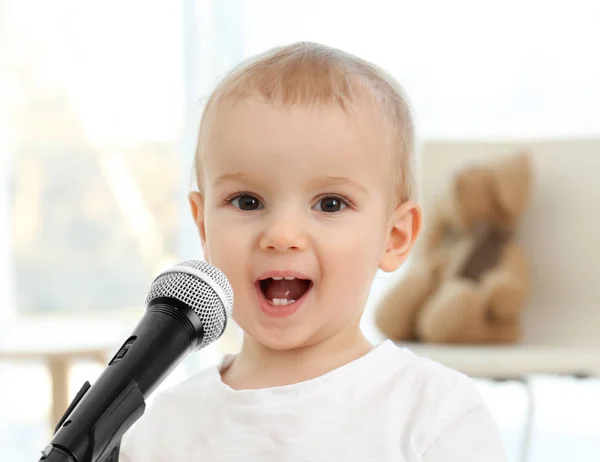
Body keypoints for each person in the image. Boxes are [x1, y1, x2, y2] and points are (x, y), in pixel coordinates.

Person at [119, 41, 507, 461]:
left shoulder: (435, 414)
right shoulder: (162, 427)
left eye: (330, 204)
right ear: (204, 228)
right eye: (248, 201)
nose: (282, 235)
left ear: (394, 237)